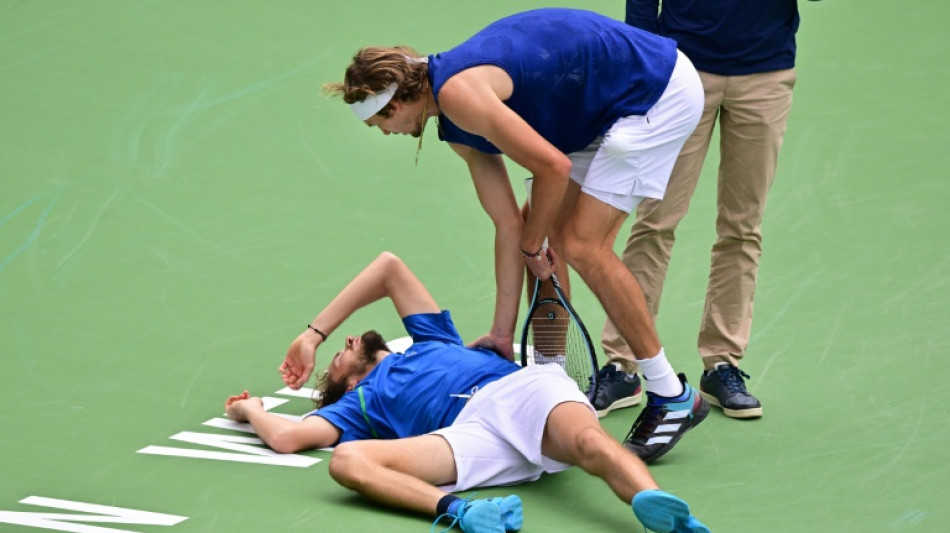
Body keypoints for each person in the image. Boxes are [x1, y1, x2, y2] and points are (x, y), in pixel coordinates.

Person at [325, 7, 708, 462]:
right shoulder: (454, 126)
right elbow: (508, 222)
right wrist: (502, 333)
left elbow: (554, 168)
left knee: (582, 244)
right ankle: (551, 376)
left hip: (655, 89)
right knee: (540, 229)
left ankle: (671, 394)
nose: (385, 133)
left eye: (379, 124)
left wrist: (533, 245)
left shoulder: (459, 94)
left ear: (393, 105)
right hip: (598, 103)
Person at [225, 251, 710, 533]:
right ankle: (462, 513)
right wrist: (250, 409)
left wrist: (314, 336)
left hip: (517, 391)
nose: (349, 340)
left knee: (587, 443)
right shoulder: (356, 406)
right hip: (468, 437)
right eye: (337, 355)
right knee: (346, 462)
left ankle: (658, 508)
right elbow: (289, 438)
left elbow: (388, 267)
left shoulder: (431, 338)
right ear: (346, 383)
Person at [600, 0, 812, 420]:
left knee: (742, 228)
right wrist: (647, 58)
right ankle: (623, 365)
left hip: (766, 76)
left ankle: (722, 365)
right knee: (655, 222)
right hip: (681, 75)